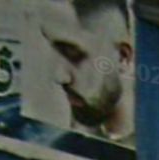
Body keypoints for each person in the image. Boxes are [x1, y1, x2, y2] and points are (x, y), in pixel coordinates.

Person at [39, 0, 135, 145]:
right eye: (52, 53)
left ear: (122, 58)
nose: (59, 76)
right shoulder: (60, 143)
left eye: (73, 54)